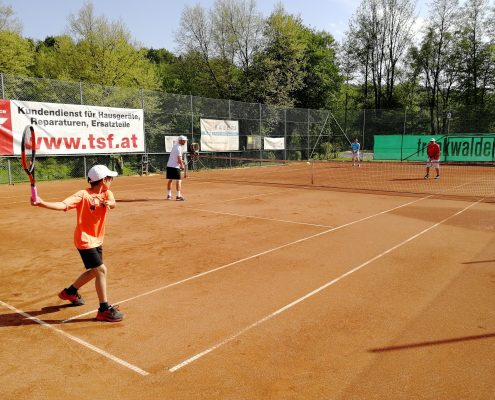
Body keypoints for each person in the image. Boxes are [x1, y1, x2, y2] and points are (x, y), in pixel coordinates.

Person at [31, 165, 123, 322]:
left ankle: (70, 292)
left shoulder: (107, 193)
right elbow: (63, 205)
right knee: (101, 270)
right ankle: (103, 309)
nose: (112, 181)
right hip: (84, 240)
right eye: (110, 178)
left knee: (94, 271)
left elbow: (113, 202)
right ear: (103, 180)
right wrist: (42, 203)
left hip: (97, 239)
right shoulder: (83, 195)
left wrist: (110, 204)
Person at [166, 134, 187, 201]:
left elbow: (176, 158)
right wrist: (182, 166)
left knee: (170, 180)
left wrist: (181, 161)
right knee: (179, 180)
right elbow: (179, 159)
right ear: (180, 141)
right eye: (184, 141)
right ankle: (178, 196)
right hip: (175, 167)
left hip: (169, 165)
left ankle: (169, 195)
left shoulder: (175, 146)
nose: (185, 142)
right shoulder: (179, 148)